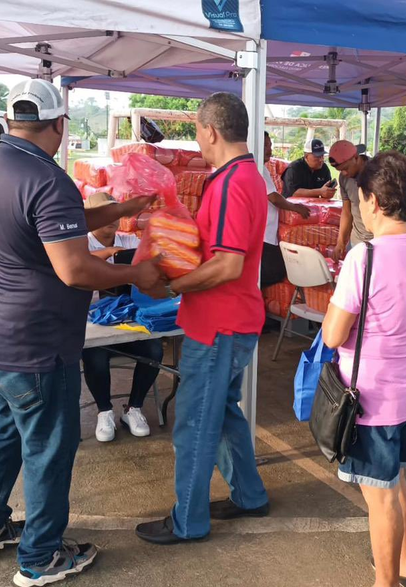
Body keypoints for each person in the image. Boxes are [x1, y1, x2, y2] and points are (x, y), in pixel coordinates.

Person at [0, 79, 161, 587]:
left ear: (11, 122)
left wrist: (118, 210)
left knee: (1, 432)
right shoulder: (49, 179)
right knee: (48, 446)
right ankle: (41, 556)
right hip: (33, 341)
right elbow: (74, 270)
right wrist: (135, 274)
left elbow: (54, 224)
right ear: (59, 125)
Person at [321, 151, 406, 587]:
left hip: (374, 399)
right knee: (395, 482)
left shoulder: (365, 257)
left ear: (372, 201)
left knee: (379, 495)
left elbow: (334, 334)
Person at [135, 92, 270, 545]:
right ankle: (250, 496)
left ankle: (188, 521)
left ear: (211, 131)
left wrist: (173, 286)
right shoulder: (241, 176)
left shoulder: (234, 182)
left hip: (220, 324)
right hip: (228, 320)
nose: (198, 138)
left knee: (194, 425)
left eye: (197, 130)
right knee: (225, 414)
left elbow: (228, 263)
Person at [82, 221, 163, 441]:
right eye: (104, 214)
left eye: (115, 213)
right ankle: (104, 411)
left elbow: (151, 261)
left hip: (127, 318)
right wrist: (106, 254)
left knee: (154, 350)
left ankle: (134, 408)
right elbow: (75, 265)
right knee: (94, 354)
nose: (111, 219)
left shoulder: (128, 241)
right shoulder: (81, 243)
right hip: (94, 321)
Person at [261, 132, 310, 288]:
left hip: (266, 234)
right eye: (265, 145)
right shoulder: (257, 168)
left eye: (270, 145)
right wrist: (295, 208)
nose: (269, 149)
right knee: (277, 270)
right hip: (264, 235)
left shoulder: (260, 167)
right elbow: (274, 197)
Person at [329, 140, 371, 260]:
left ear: (356, 157)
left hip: (377, 242)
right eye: (340, 170)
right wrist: (340, 242)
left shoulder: (378, 173)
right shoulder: (344, 178)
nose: (344, 173)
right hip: (356, 241)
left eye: (346, 168)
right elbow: (347, 211)